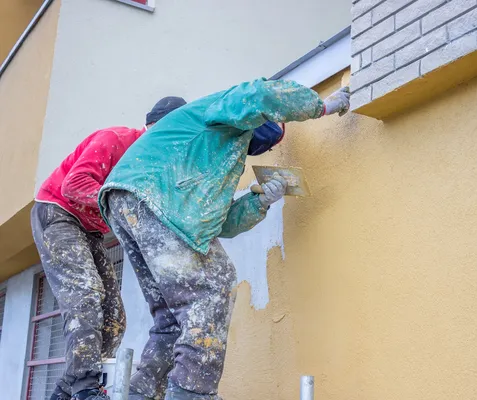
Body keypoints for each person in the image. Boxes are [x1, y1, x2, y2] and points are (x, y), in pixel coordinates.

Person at [98, 79, 350, 400]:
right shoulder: (212, 113)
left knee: (171, 317)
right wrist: (322, 106)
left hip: (128, 204)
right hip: (156, 196)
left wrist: (261, 201)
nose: (253, 151)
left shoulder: (206, 160)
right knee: (214, 282)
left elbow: (218, 225)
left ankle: (143, 393)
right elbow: (260, 93)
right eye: (258, 144)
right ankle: (193, 391)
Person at [31, 96, 187, 400]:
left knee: (114, 318)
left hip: (91, 229)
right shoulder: (115, 140)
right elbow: (74, 185)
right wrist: (123, 206)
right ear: (155, 127)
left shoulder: (151, 169)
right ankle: (86, 387)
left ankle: (66, 390)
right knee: (86, 295)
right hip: (58, 212)